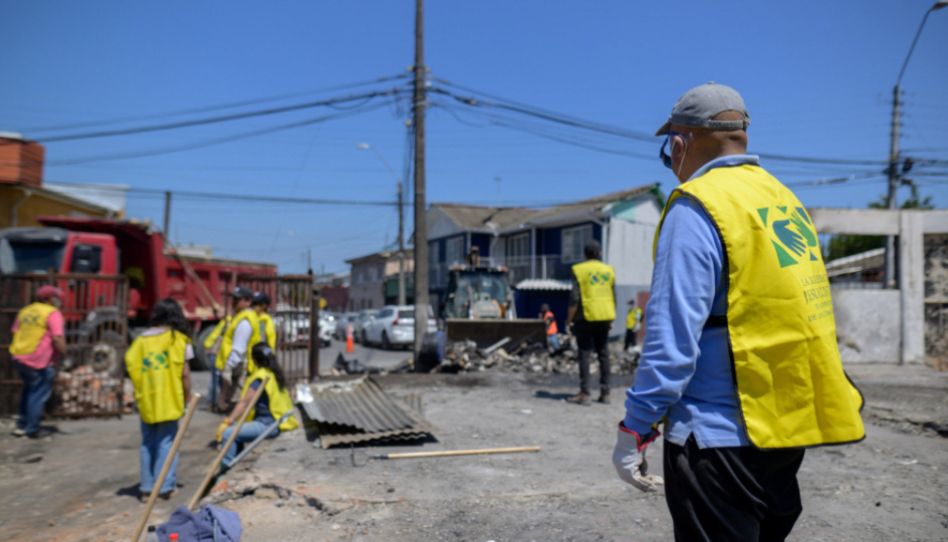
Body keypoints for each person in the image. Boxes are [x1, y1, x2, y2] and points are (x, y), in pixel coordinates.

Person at [612, 83, 864, 541]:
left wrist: (636, 426)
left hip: (714, 440)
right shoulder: (782, 201)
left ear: (679, 143)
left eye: (669, 154)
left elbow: (671, 343)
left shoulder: (697, 207)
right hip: (780, 434)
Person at [125, 298, 193, 501]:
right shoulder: (178, 340)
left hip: (147, 401)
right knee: (167, 443)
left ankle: (146, 488)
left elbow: (131, 367)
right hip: (170, 400)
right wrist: (187, 398)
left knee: (147, 442)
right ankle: (165, 487)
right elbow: (185, 375)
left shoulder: (140, 341)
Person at [217, 342, 298, 466]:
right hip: (279, 421)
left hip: (269, 424)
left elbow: (244, 403)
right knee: (238, 432)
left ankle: (225, 468)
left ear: (254, 360)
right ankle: (234, 463)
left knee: (228, 434)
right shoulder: (274, 373)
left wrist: (227, 421)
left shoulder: (260, 377)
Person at [9, 285, 66, 438]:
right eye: (56, 297)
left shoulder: (25, 311)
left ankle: (22, 424)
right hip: (39, 359)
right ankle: (32, 428)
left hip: (20, 356)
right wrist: (64, 352)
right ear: (49, 299)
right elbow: (57, 337)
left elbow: (15, 331)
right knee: (38, 393)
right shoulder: (52, 313)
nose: (59, 300)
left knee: (28, 390)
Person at [566, 240, 616, 405]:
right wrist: (611, 318)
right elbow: (612, 295)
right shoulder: (608, 270)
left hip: (585, 317)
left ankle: (585, 393)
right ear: (599, 253)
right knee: (603, 354)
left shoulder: (579, 270)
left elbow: (574, 298)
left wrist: (568, 320)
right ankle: (606, 393)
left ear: (585, 254)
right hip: (604, 316)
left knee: (584, 354)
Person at [216, 287, 257, 412]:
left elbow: (238, 349)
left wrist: (228, 368)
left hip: (237, 367)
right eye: (233, 299)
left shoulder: (245, 321)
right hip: (238, 366)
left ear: (248, 301)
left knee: (234, 403)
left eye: (237, 299)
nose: (233, 302)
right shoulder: (242, 317)